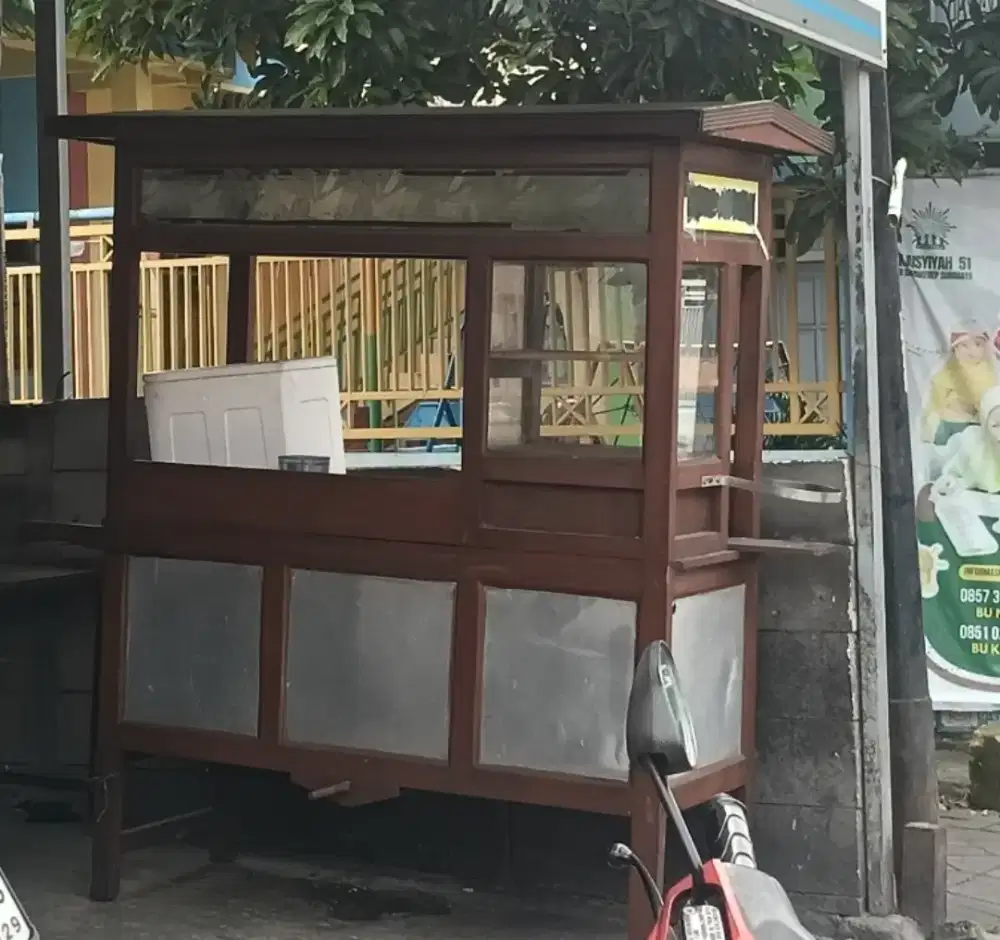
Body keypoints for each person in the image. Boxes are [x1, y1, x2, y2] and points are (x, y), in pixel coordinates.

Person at [922, 329, 998, 446]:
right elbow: (937, 397)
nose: (972, 351)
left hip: (977, 423)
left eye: (978, 345)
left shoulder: (987, 372)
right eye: (964, 345)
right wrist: (935, 417)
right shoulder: (950, 370)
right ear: (955, 348)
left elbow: (988, 397)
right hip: (951, 422)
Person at [933, 383, 1000, 496]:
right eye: (996, 425)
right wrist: (952, 481)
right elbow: (953, 473)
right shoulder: (973, 446)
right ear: (985, 426)